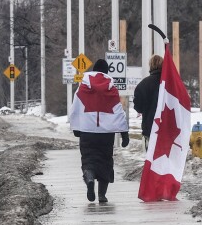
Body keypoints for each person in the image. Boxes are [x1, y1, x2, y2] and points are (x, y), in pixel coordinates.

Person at [69, 59, 130, 203]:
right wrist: (124, 133)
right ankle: (102, 195)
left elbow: (75, 107)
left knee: (89, 159)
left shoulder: (83, 86)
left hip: (87, 131)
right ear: (106, 72)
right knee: (105, 162)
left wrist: (76, 127)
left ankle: (89, 178)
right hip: (106, 133)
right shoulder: (111, 87)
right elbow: (118, 111)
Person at [133, 54, 163, 149]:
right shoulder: (169, 83)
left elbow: (138, 107)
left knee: (152, 158)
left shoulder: (143, 84)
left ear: (150, 66)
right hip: (168, 128)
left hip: (150, 128)